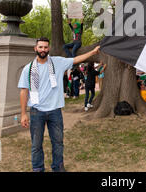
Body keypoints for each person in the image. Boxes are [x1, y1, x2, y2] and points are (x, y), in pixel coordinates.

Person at [18, 37, 100, 172]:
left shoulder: (58, 62)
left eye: (45, 47)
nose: (43, 50)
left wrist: (92, 52)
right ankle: (38, 168)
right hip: (36, 111)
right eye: (40, 47)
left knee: (58, 142)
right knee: (36, 144)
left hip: (55, 111)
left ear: (48, 48)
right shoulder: (28, 69)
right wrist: (23, 114)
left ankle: (58, 167)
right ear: (35, 49)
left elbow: (76, 59)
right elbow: (23, 91)